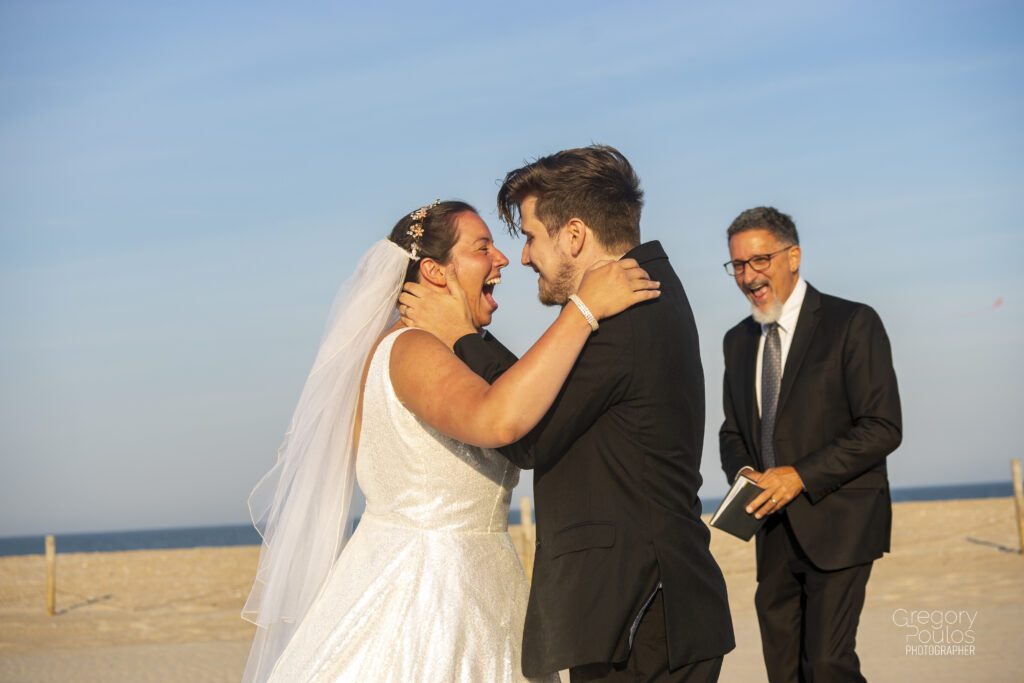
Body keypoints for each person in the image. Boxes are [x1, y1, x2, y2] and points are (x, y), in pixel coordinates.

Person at [241, 199, 660, 682]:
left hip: (477, 582)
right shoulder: (412, 348)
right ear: (436, 273)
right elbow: (496, 420)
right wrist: (584, 311)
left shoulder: (442, 351)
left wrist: (464, 335)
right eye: (483, 247)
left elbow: (514, 393)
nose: (503, 259)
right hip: (429, 593)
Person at [401, 146, 735, 683]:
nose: (525, 257)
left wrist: (462, 336)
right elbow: (547, 396)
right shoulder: (642, 292)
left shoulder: (631, 312)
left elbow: (527, 433)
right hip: (642, 610)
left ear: (574, 236)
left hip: (641, 613)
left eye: (531, 236)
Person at [718, 207, 902, 682]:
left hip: (841, 523)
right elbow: (732, 432)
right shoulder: (736, 341)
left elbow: (882, 426)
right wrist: (744, 476)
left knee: (827, 665)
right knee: (783, 672)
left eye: (759, 260)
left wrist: (800, 475)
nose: (748, 276)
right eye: (737, 265)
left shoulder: (853, 323)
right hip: (772, 531)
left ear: (793, 256)